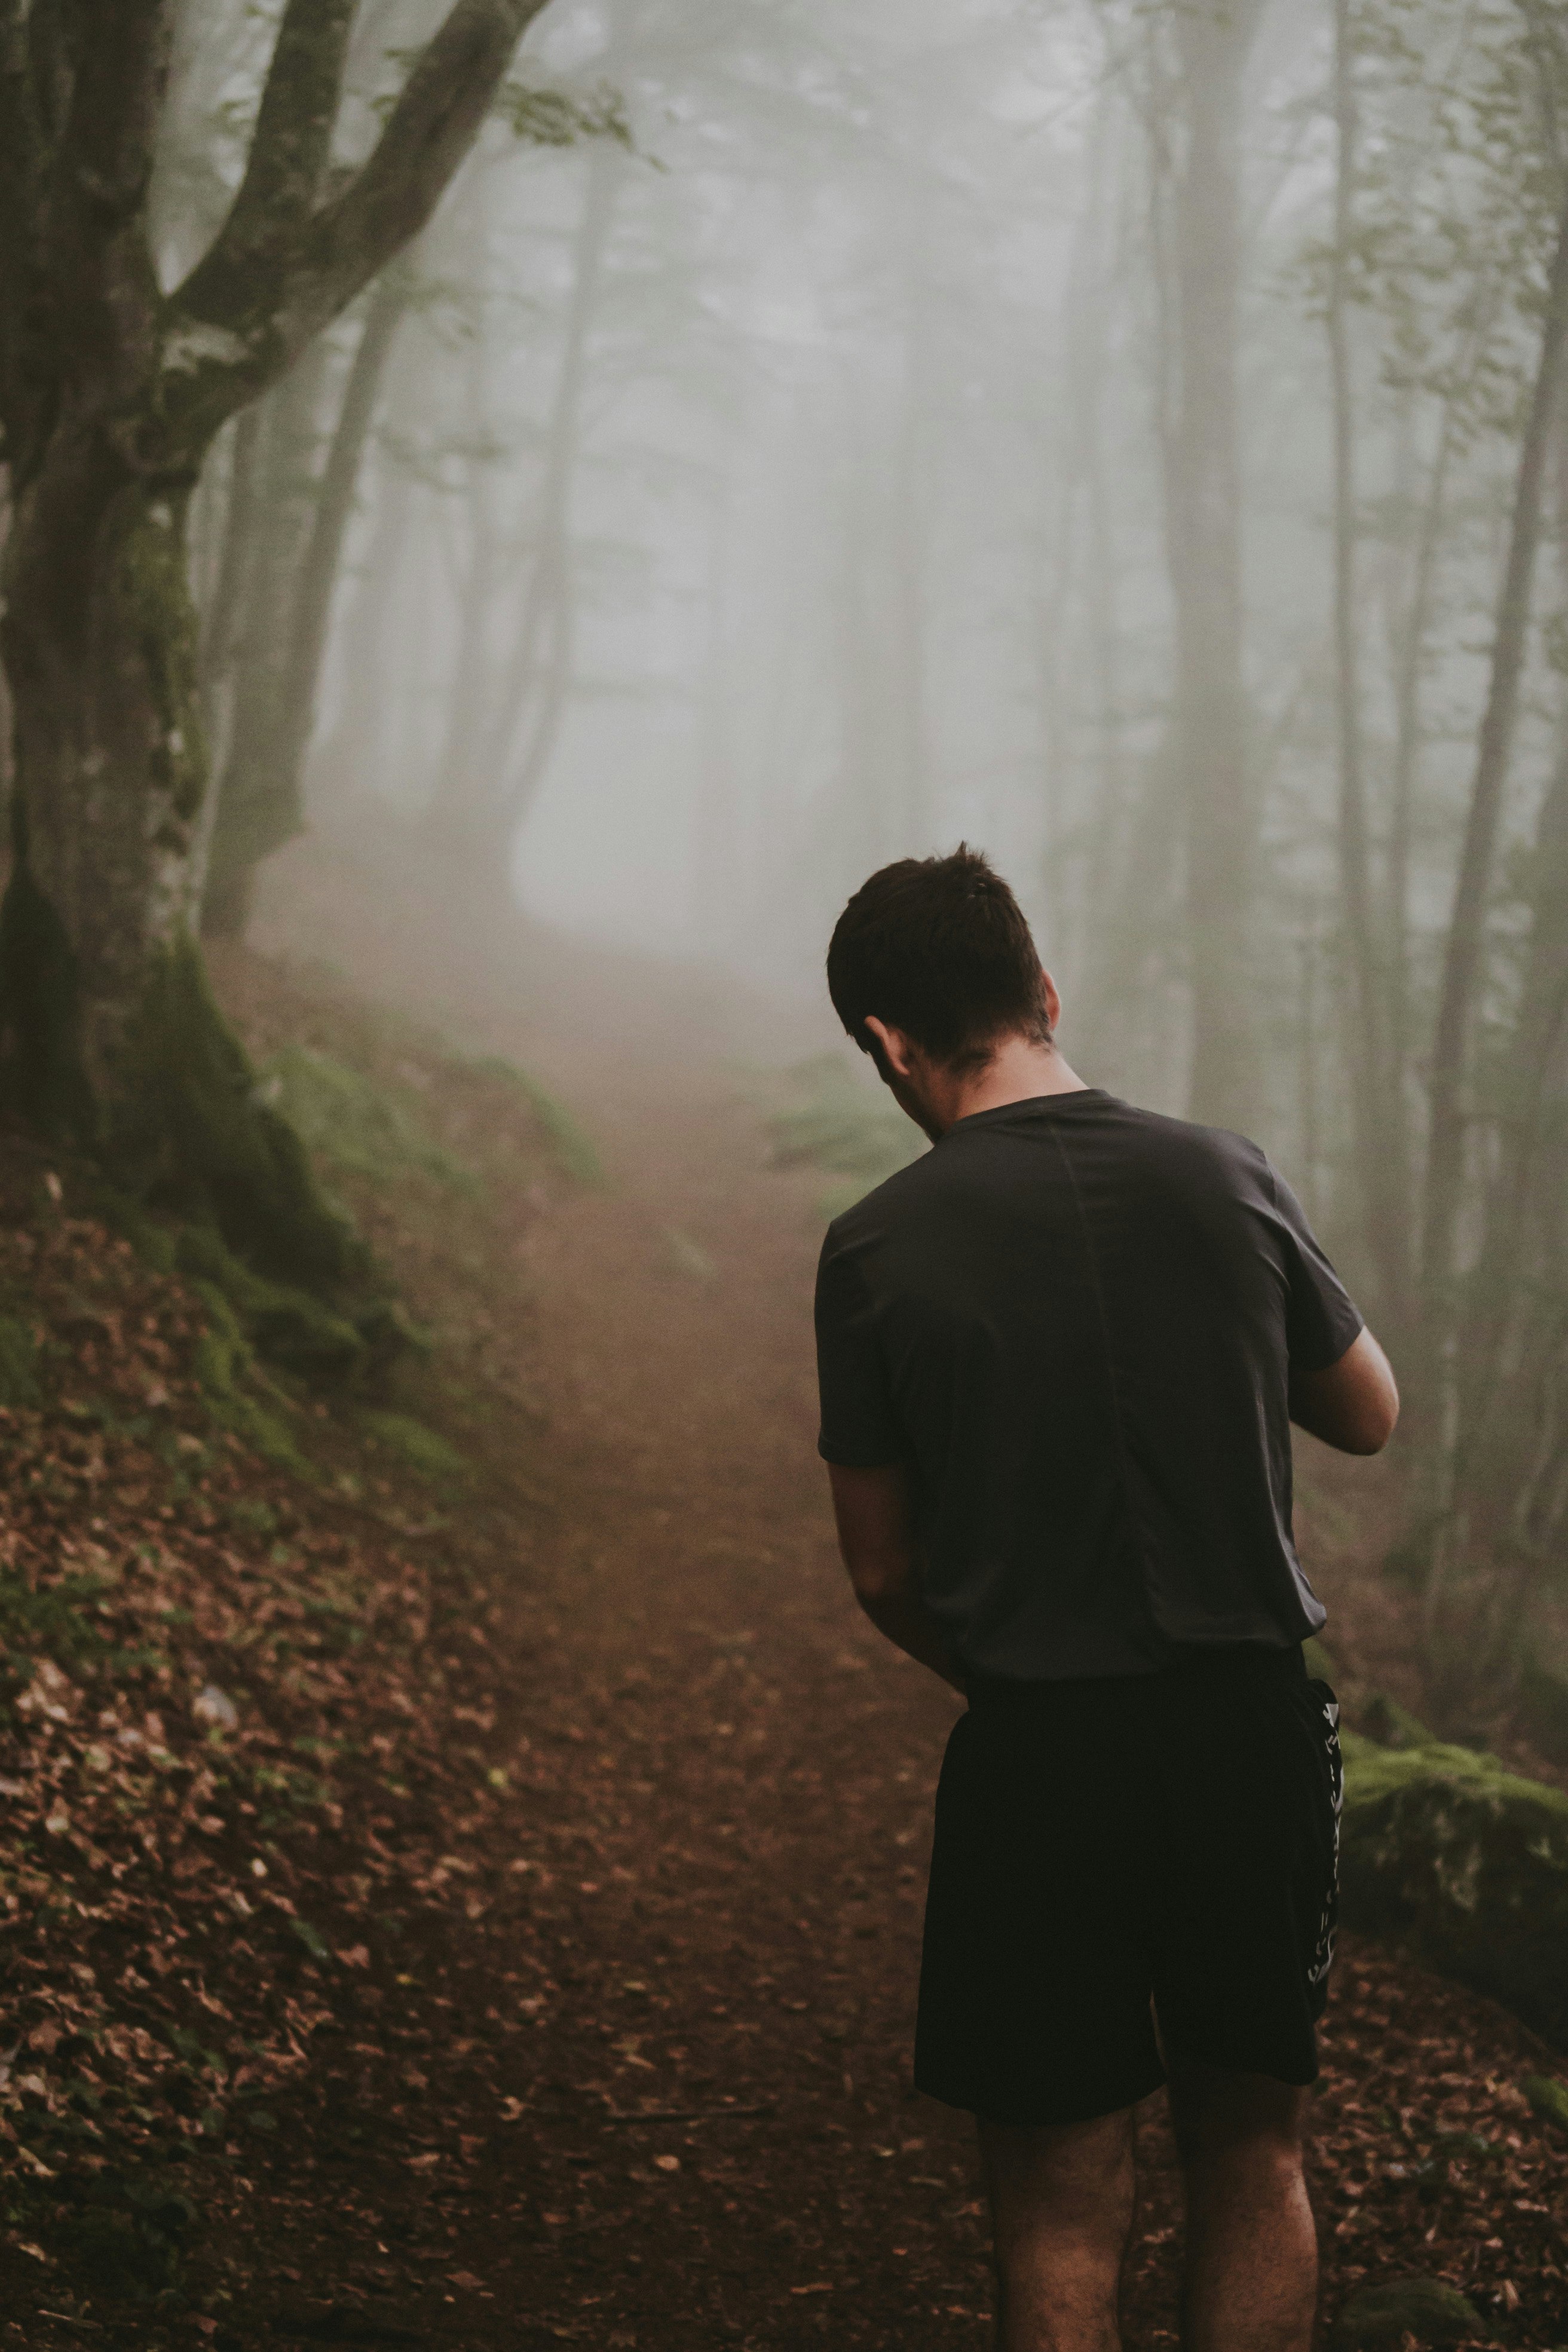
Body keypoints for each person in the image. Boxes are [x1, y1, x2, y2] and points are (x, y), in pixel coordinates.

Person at [813, 849, 1398, 2352]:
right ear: (1044, 991)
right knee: (1252, 2152)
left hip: (1041, 1748)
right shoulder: (1225, 1171)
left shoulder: (875, 1248)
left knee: (1060, 2197)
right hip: (1253, 1733)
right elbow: (1370, 1413)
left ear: (889, 1045)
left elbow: (879, 1568)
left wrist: (1021, 1664)